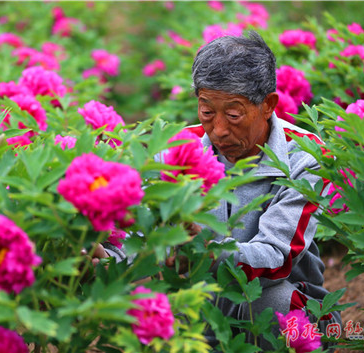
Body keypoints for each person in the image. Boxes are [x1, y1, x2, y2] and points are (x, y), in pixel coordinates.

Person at [99, 31, 341, 350]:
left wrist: (206, 249)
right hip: (198, 308)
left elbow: (275, 260)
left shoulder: (303, 158)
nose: (219, 130)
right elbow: (139, 232)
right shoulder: (175, 151)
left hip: (283, 303)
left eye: (233, 114)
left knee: (269, 304)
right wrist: (106, 259)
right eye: (207, 111)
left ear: (268, 105)